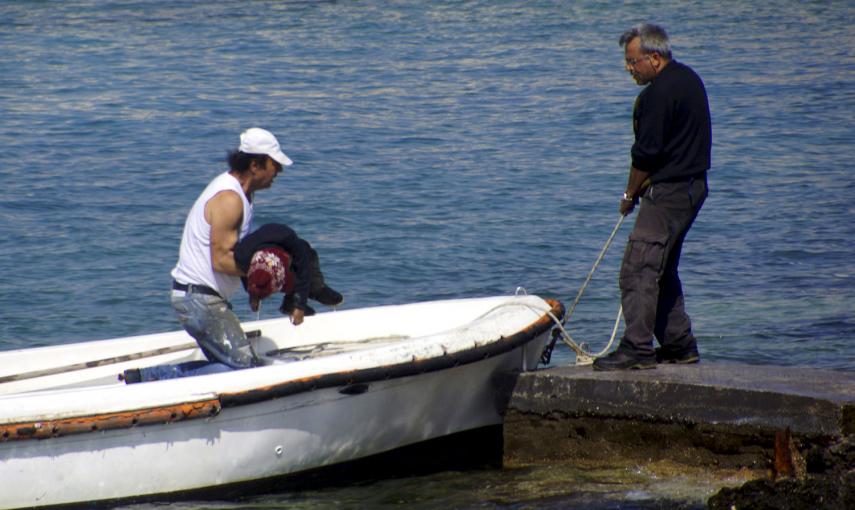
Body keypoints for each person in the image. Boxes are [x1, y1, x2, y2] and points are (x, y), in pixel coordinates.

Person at [123, 128, 296, 383]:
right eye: (274, 164)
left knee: (229, 368)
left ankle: (146, 379)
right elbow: (222, 261)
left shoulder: (241, 194)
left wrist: (254, 287)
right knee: (244, 371)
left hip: (199, 297)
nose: (278, 172)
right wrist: (270, 274)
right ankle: (149, 379)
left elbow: (231, 254)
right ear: (255, 165)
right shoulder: (230, 199)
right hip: (199, 300)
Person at [593, 23, 711, 371]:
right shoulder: (689, 79)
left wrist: (629, 194)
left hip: (669, 193)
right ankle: (678, 345)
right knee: (663, 269)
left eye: (633, 62)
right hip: (693, 187)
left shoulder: (657, 94)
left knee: (638, 269)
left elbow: (645, 154)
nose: (629, 68)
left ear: (654, 58)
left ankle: (637, 348)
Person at [235, 222, 343, 316]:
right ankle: (289, 304)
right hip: (258, 248)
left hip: (285, 241)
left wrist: (299, 305)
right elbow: (245, 277)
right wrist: (254, 295)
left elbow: (303, 272)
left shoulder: (292, 243)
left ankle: (315, 289)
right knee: (259, 280)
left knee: (305, 253)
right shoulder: (242, 257)